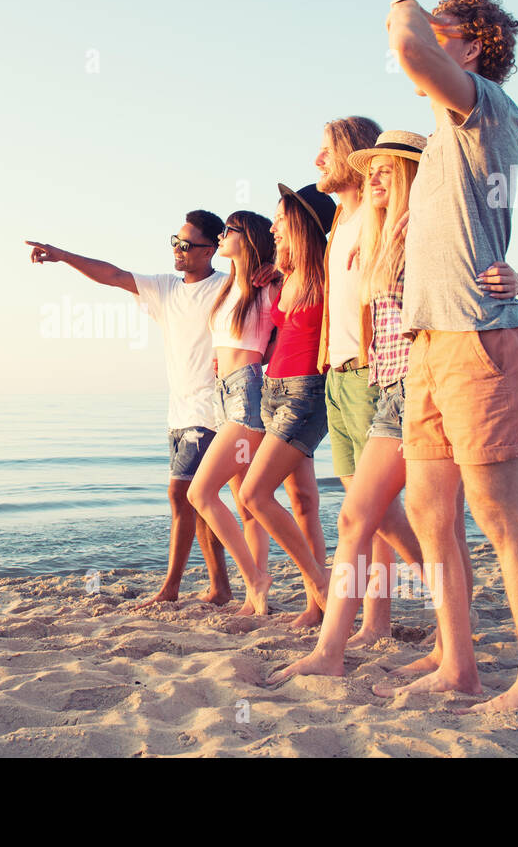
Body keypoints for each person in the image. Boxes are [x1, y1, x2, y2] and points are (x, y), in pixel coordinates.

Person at [268, 131, 518, 683]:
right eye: (372, 168)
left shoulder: (426, 229)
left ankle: (332, 651)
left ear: (413, 172)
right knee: (440, 526)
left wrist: (514, 278)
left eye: (387, 168)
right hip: (393, 388)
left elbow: (478, 275)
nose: (375, 176)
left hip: (418, 385)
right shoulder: (382, 233)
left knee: (364, 515)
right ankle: (448, 648)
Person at [384, 0, 518, 712]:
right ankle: (459, 665)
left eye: (442, 29)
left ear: (473, 45)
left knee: (499, 511)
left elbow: (406, 46)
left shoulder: (485, 103)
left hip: (481, 340)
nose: (426, 36)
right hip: (431, 340)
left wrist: (407, 8)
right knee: (429, 508)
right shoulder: (439, 143)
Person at [24, 214, 240, 607]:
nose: (178, 248)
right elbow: (112, 274)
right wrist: (60, 255)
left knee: (183, 494)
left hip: (209, 412)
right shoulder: (164, 289)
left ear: (210, 250)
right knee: (200, 499)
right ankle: (220, 588)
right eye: (176, 240)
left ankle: (171, 588)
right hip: (177, 413)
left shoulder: (227, 287)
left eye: (188, 244)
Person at [313, 116, 405, 645]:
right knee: (365, 515)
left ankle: (383, 619)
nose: (318, 160)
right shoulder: (335, 229)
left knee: (378, 513)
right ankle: (373, 622)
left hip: (375, 373)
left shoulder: (379, 215)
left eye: (326, 150)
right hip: (338, 375)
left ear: (352, 153)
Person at [232, 184, 337, 627]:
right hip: (274, 391)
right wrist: (275, 273)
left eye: (280, 219)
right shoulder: (285, 274)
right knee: (303, 500)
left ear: (301, 225)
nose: (273, 227)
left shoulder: (331, 269)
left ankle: (321, 584)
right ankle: (316, 609)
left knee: (255, 494)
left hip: (307, 393)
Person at [186, 211, 285, 615]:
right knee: (244, 504)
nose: (222, 236)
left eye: (229, 231)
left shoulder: (268, 284)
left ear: (248, 239)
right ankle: (256, 596)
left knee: (200, 492)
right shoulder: (228, 287)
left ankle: (256, 578)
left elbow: (308, 276)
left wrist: (277, 267)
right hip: (223, 395)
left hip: (247, 394)